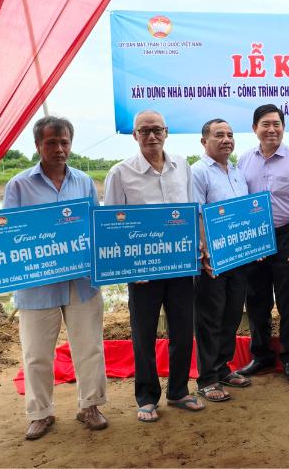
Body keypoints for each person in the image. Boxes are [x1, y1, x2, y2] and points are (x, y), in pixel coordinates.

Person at [3, 116, 107, 439]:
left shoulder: (84, 182)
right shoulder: (18, 185)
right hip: (37, 285)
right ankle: (40, 413)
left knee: (89, 347)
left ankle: (90, 406)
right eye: (52, 142)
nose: (60, 149)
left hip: (81, 282)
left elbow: (94, 225)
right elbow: (8, 234)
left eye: (64, 142)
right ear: (38, 145)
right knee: (36, 353)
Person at [104, 110, 204, 422]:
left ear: (166, 132)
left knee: (183, 331)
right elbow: (111, 224)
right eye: (144, 130)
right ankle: (147, 397)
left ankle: (178, 391)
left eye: (156, 129)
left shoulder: (182, 166)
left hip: (180, 266)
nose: (151, 136)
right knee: (143, 334)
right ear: (135, 135)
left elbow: (192, 212)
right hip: (142, 271)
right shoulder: (120, 173)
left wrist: (199, 245)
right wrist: (129, 268)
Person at [236, 104, 289, 381]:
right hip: (254, 239)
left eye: (276, 124)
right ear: (254, 128)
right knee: (256, 300)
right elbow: (238, 202)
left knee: (288, 302)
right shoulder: (244, 160)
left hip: (286, 237)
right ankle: (261, 355)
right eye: (265, 124)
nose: (271, 129)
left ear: (283, 127)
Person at [191, 119, 252, 403]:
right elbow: (197, 214)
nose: (226, 139)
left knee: (231, 314)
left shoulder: (237, 172)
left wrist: (253, 244)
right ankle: (207, 379)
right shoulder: (198, 172)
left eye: (230, 134)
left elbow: (244, 214)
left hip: (237, 257)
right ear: (204, 141)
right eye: (219, 135)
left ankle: (223, 368)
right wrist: (205, 252)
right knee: (210, 318)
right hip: (212, 260)